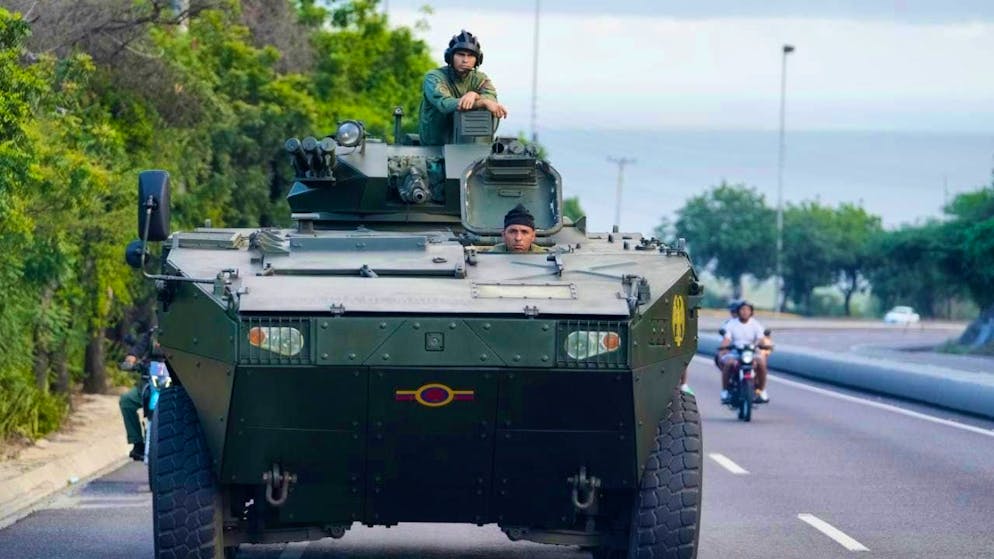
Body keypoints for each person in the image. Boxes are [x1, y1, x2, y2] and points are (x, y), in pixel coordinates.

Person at [418, 30, 508, 146]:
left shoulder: (480, 79)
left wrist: (474, 95)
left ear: (477, 60)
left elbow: (491, 100)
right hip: (434, 146)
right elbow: (445, 104)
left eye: (470, 56)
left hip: (469, 149)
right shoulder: (434, 77)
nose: (465, 60)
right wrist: (481, 102)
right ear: (450, 57)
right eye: (460, 54)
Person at [717, 300, 770, 404]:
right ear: (738, 311)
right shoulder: (731, 324)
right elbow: (726, 339)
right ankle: (725, 391)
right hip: (735, 352)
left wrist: (760, 344)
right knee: (728, 363)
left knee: (761, 363)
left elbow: (761, 338)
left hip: (751, 352)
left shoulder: (756, 324)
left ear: (751, 312)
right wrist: (724, 348)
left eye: (747, 309)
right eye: (742, 309)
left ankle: (762, 390)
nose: (745, 312)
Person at [118, 327, 153, 461]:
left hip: (173, 386)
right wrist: (130, 361)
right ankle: (138, 443)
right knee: (127, 401)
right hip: (149, 384)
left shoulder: (183, 333)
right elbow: (137, 350)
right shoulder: (153, 334)